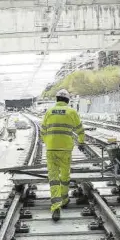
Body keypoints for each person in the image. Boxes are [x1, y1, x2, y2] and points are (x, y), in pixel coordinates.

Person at [41, 89, 85, 222]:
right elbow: (80, 130)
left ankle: (55, 207)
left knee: (53, 178)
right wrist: (81, 143)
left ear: (57, 99)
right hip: (65, 149)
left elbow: (42, 130)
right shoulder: (72, 112)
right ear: (67, 100)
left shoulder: (49, 112)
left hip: (51, 149)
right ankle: (65, 199)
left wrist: (48, 142)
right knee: (64, 176)